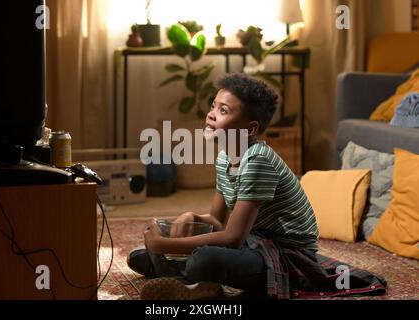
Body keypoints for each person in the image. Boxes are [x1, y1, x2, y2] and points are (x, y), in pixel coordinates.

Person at [128, 73, 386, 300]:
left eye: (224, 110)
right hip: (252, 241)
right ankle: (194, 281)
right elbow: (218, 221)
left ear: (250, 128)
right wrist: (191, 217)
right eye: (213, 106)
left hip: (284, 255)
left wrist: (165, 246)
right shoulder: (224, 157)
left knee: (202, 258)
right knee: (142, 252)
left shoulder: (258, 161)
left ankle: (191, 278)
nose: (211, 114)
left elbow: (231, 237)